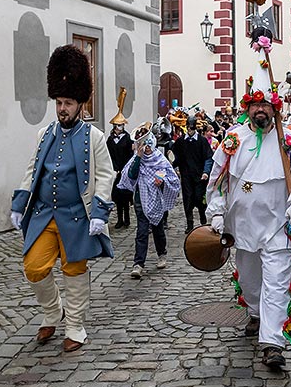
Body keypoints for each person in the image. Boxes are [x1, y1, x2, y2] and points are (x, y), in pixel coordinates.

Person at [207, 27, 291, 370]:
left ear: (274, 108)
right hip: (242, 228)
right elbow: (217, 181)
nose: (260, 111)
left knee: (276, 285)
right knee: (251, 282)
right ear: (248, 107)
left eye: (265, 105)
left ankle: (272, 343)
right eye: (255, 105)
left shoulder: (290, 140)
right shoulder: (232, 140)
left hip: (277, 227)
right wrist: (216, 214)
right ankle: (253, 312)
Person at [10, 45, 115, 353]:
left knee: (75, 272)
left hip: (76, 217)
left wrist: (99, 212)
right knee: (34, 267)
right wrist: (20, 204)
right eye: (58, 102)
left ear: (80, 104)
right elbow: (32, 170)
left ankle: (75, 326)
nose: (62, 109)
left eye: (68, 103)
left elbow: (106, 176)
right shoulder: (45, 134)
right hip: (44, 215)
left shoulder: (94, 137)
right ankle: (52, 311)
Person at [119, 123, 180, 279]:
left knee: (158, 229)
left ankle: (162, 254)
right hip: (141, 200)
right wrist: (138, 158)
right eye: (142, 144)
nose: (146, 147)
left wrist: (162, 181)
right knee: (141, 232)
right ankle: (138, 264)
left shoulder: (160, 159)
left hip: (156, 199)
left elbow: (172, 178)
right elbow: (131, 176)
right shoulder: (136, 159)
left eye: (148, 144)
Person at [172, 118, 214, 233]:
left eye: (192, 128)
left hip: (200, 176)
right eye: (189, 128)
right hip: (186, 175)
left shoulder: (202, 141)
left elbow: (208, 157)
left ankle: (202, 217)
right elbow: (175, 157)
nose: (190, 130)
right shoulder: (181, 142)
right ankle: (189, 223)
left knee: (200, 198)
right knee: (188, 199)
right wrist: (173, 167)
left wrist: (206, 172)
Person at [107, 113, 134, 229]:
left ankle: (127, 219)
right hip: (115, 170)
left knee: (125, 196)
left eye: (121, 125)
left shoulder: (127, 138)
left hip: (124, 170)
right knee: (117, 196)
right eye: (118, 125)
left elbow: (130, 155)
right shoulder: (110, 139)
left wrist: (125, 168)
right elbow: (108, 154)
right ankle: (119, 219)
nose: (120, 127)